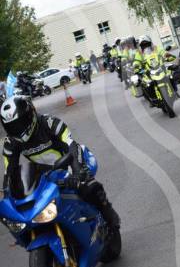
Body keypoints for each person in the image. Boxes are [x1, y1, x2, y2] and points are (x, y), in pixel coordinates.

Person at [0, 96, 120, 230]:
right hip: (43, 174)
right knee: (27, 209)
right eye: (12, 126)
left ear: (31, 114)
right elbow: (9, 171)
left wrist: (78, 172)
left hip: (70, 162)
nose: (17, 129)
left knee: (87, 186)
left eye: (20, 122)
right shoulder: (10, 142)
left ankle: (107, 211)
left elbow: (72, 145)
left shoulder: (50, 123)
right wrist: (6, 194)